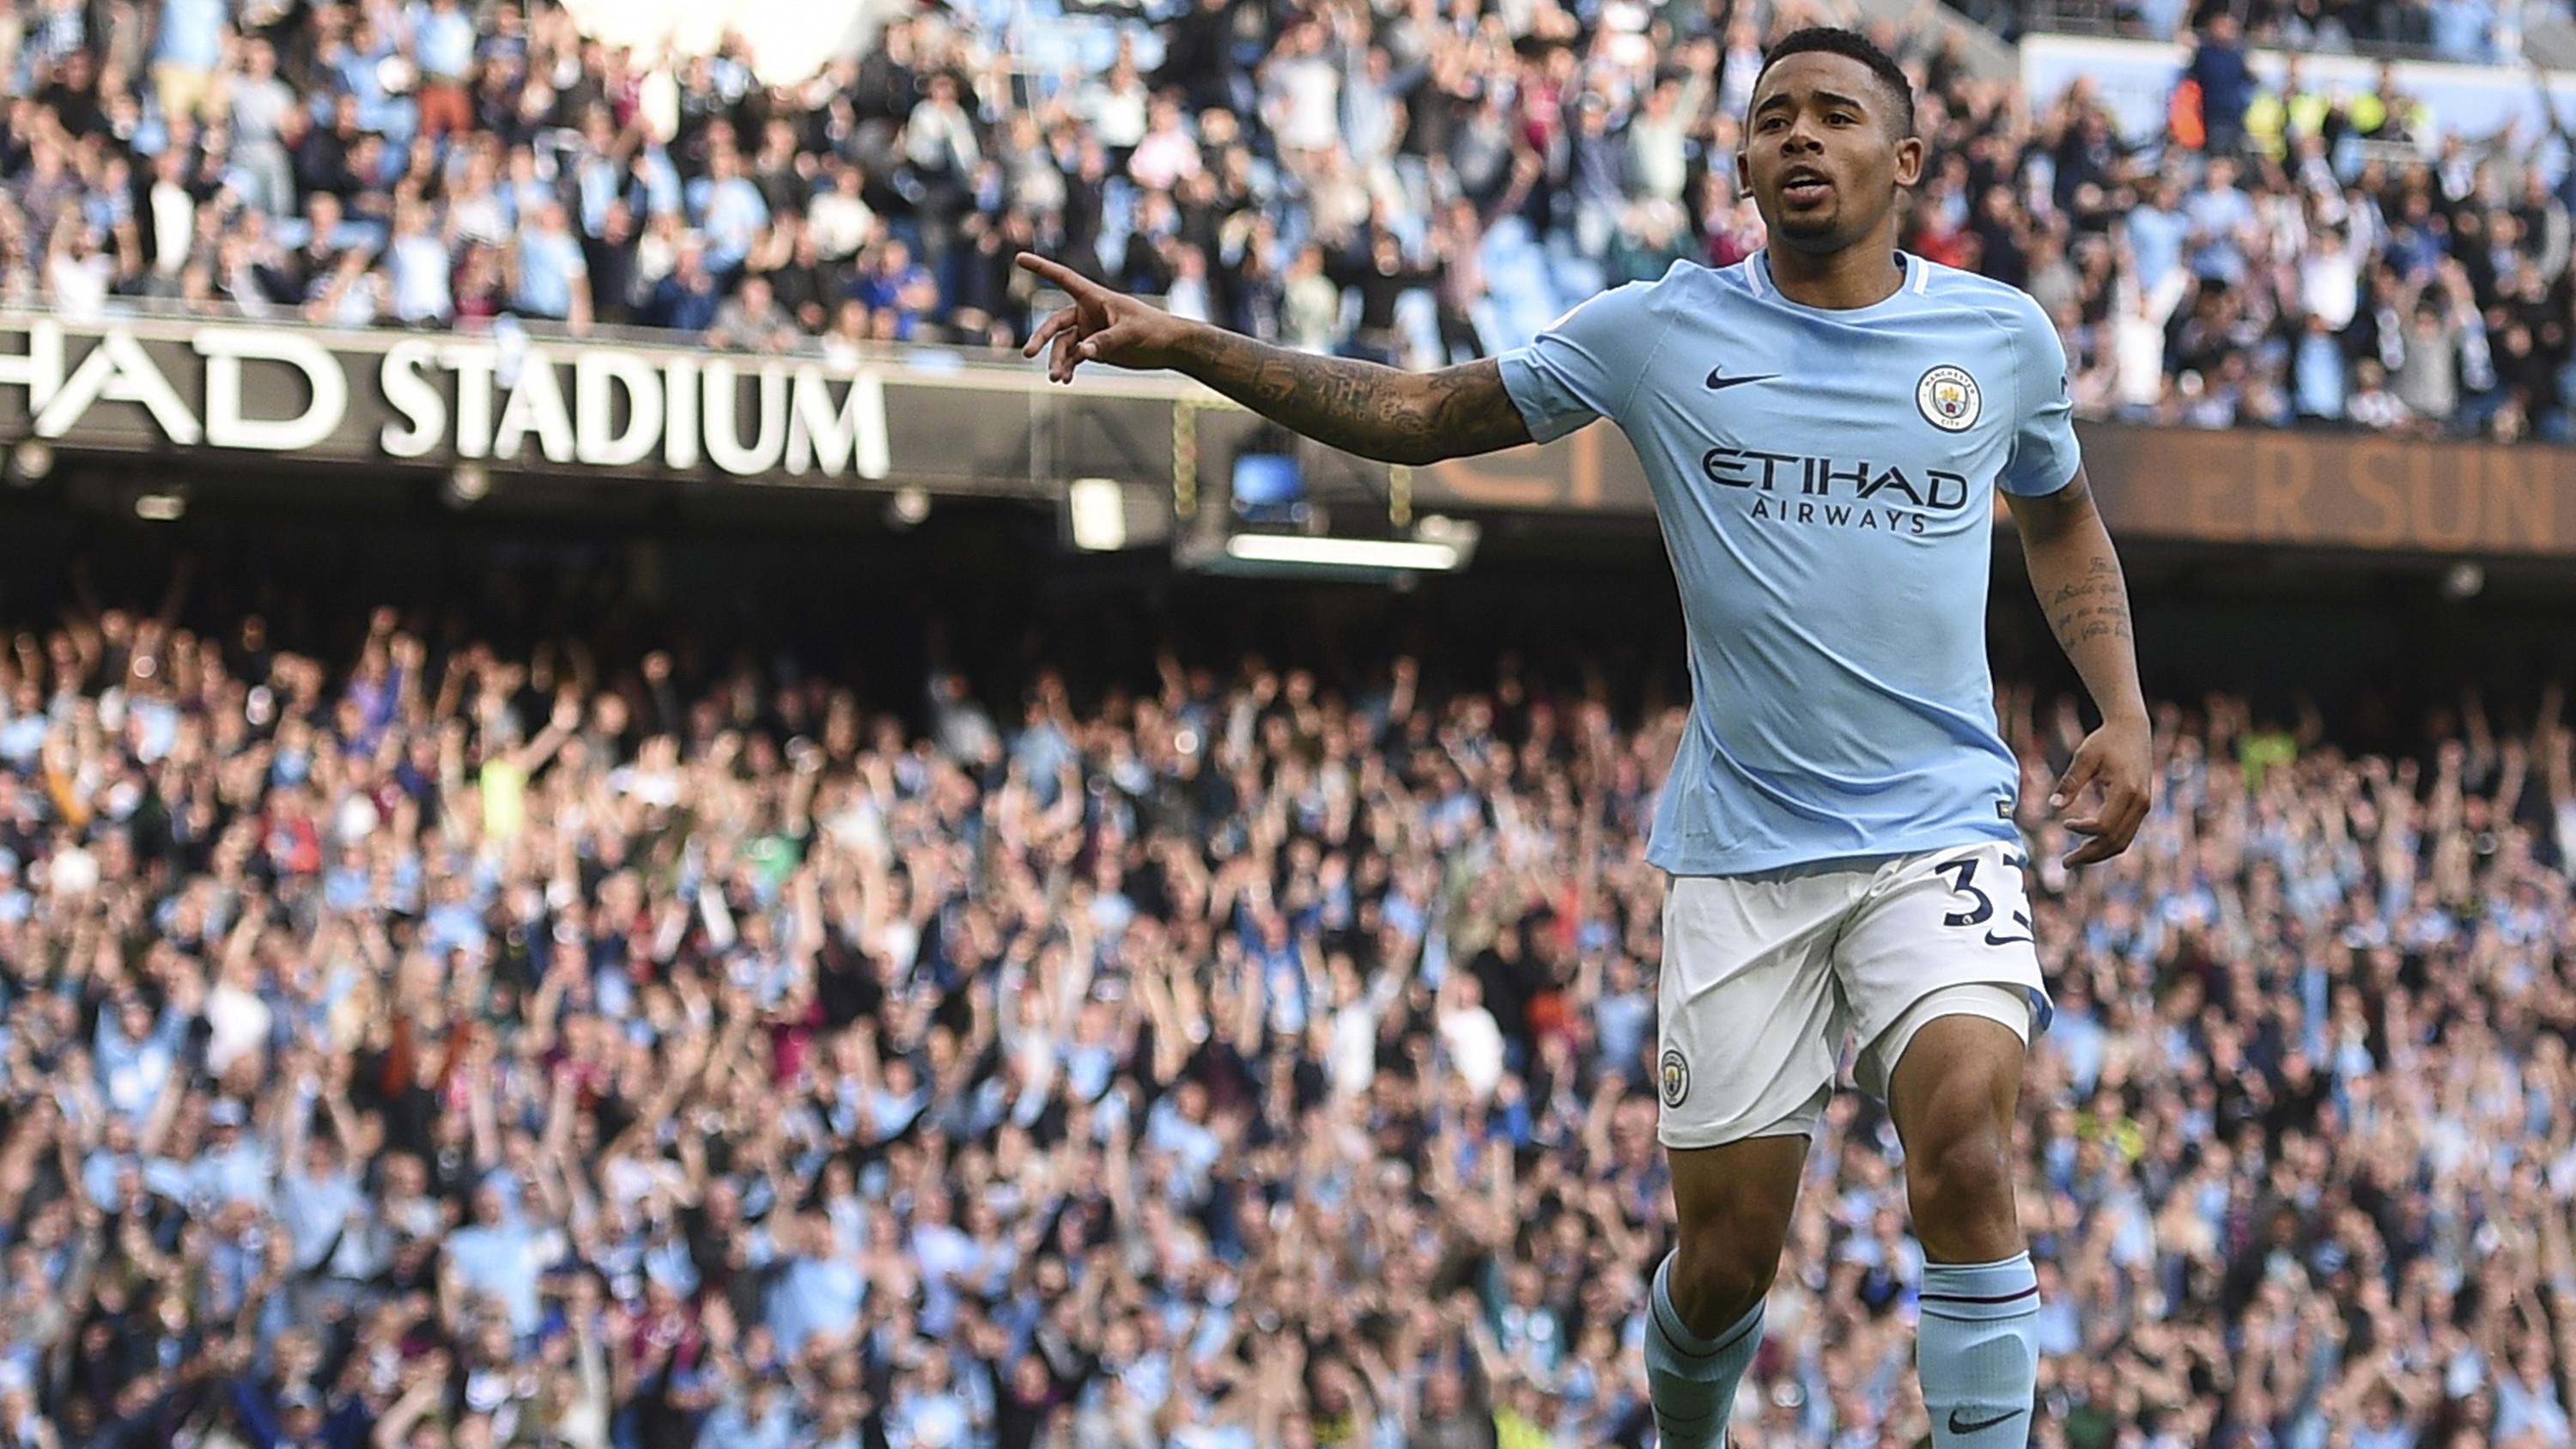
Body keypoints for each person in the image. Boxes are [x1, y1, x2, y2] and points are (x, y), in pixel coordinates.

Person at [1015, 27, 2154, 1448]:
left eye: (1835, 115)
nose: (1801, 136)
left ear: (1906, 159)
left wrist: (2122, 708)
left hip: (1942, 831)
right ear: (1741, 165)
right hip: (1746, 857)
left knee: (1970, 1152)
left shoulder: (1999, 338)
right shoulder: (1661, 331)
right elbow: (1418, 415)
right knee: (1725, 1265)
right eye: (1774, 118)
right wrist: (1190, 342)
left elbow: (2060, 513)